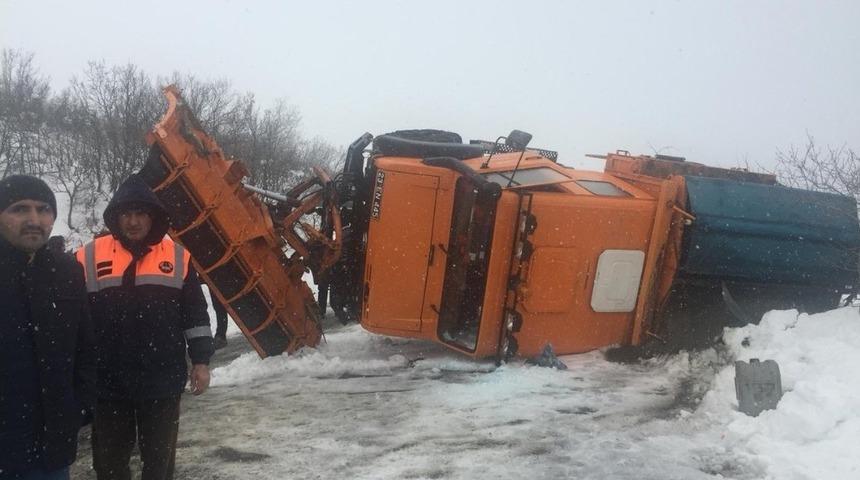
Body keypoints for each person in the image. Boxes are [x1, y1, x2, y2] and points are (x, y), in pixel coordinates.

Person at [75, 175, 214, 480]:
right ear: (116, 216)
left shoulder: (178, 257)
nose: (133, 222)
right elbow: (72, 318)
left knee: (159, 463)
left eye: (141, 214)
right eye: (126, 214)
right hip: (108, 383)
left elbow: (195, 315)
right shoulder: (88, 256)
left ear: (153, 217)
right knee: (109, 464)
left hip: (162, 380)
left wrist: (201, 361)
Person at [0, 175, 96, 480]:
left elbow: (85, 348)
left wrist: (79, 407)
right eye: (19, 209)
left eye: (43, 209)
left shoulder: (67, 271)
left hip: (52, 447)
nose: (34, 219)